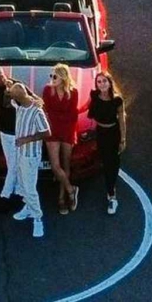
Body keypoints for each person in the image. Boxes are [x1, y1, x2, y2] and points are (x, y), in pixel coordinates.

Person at [9, 80, 51, 238]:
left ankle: (38, 218)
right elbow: (12, 89)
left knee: (30, 188)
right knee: (22, 184)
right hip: (20, 153)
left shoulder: (36, 112)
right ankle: (27, 207)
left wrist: (26, 139)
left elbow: (46, 132)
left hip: (30, 155)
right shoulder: (20, 106)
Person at [41, 64, 81, 214]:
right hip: (52, 130)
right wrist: (55, 117)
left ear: (63, 77)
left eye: (55, 76)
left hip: (67, 130)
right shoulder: (47, 90)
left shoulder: (73, 92)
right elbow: (46, 109)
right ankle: (71, 190)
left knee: (66, 165)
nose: (52, 78)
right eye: (51, 76)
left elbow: (73, 114)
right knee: (55, 166)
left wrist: (55, 117)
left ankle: (61, 198)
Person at [86, 71, 126, 214]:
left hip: (113, 133)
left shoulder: (117, 100)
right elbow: (90, 115)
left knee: (112, 163)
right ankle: (110, 188)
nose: (102, 84)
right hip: (100, 132)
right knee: (104, 161)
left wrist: (123, 139)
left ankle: (112, 195)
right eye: (99, 82)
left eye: (104, 81)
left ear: (110, 83)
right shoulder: (94, 97)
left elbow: (122, 119)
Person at [0, 64, 21, 212]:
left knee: (13, 166)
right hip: (5, 132)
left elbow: (34, 101)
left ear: (0, 77)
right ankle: (18, 192)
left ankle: (5, 196)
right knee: (13, 165)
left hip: (16, 133)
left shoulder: (17, 86)